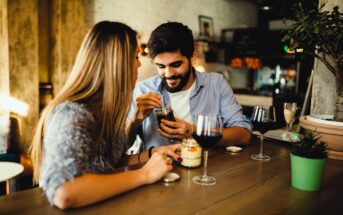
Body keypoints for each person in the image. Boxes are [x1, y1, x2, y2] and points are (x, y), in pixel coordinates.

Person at [30, 21, 181, 209]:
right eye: (135, 56)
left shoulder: (103, 109)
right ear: (117, 63)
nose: (139, 64)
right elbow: (64, 192)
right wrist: (145, 175)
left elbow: (110, 162)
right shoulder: (72, 113)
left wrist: (153, 153)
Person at [126, 22, 252, 152]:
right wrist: (135, 121)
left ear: (192, 58)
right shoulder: (142, 90)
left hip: (208, 169)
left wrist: (194, 131)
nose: (168, 74)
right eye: (161, 66)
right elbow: (121, 148)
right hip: (158, 170)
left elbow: (244, 135)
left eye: (176, 64)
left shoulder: (216, 84)